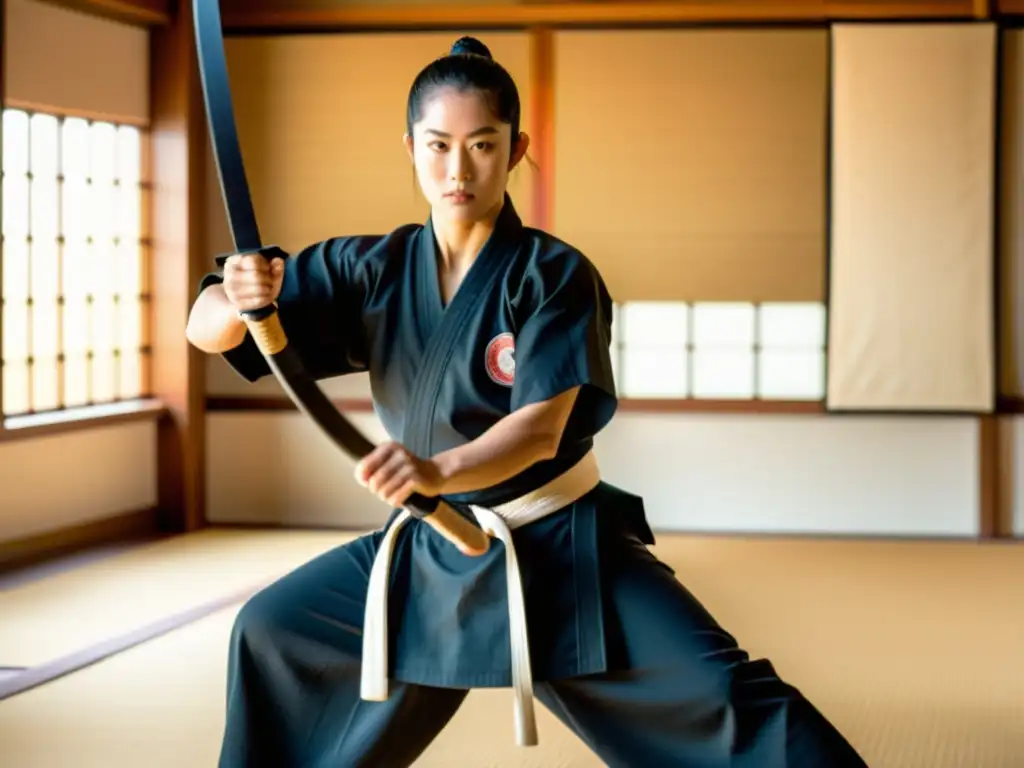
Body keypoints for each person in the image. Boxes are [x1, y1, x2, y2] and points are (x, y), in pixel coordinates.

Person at [186, 35, 867, 768]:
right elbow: (207, 329)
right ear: (410, 146)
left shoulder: (553, 274)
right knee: (272, 630)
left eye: (482, 145)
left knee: (728, 702)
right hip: (431, 548)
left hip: (556, 549)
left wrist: (436, 471)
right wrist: (242, 298)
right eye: (439, 145)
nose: (457, 169)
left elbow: (540, 432)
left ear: (515, 150)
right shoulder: (370, 267)